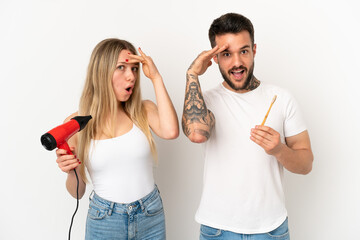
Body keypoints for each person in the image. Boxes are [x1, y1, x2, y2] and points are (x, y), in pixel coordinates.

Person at [182, 13, 313, 240]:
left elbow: (306, 164)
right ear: (214, 58)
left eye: (243, 51)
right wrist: (192, 74)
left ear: (254, 50)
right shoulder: (207, 101)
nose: (237, 63)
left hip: (271, 230)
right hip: (218, 230)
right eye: (226, 54)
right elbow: (195, 133)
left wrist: (279, 150)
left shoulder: (281, 98)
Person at [56, 38, 179, 239]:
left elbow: (171, 131)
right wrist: (71, 173)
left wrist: (156, 77)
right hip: (105, 220)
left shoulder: (143, 110)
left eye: (135, 68)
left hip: (150, 214)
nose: (131, 76)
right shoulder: (75, 124)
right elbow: (78, 193)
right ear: (102, 72)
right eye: (121, 67)